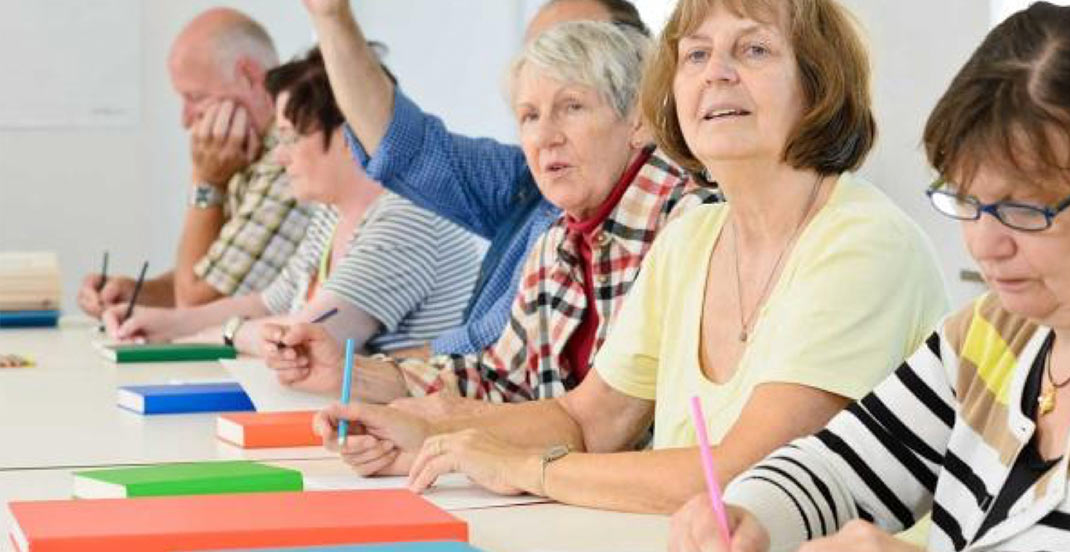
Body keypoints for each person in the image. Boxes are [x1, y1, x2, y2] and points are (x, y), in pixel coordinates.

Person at [303, 0, 947, 515]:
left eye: (753, 49)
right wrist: (438, 443)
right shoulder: (693, 237)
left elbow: (746, 477)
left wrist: (526, 467)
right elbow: (589, 420)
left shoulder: (861, 242)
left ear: (819, 85)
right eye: (696, 55)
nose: (716, 72)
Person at [668, 3, 1070, 552]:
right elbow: (842, 467)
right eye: (968, 202)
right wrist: (749, 516)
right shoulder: (996, 334)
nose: (985, 245)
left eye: (1026, 208)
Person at [264, 21, 721, 404]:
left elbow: (599, 425)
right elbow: (501, 379)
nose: (546, 137)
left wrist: (458, 440)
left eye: (572, 107)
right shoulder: (558, 236)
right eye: (529, 116)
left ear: (639, 119)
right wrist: (350, 375)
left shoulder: (690, 225)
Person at [294, 0, 651, 359]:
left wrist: (368, 372)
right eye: (530, 112)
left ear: (637, 97)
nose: (545, 134)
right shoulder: (531, 184)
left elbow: (495, 361)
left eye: (574, 52)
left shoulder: (667, 213)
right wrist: (330, 15)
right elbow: (403, 147)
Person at [101, 48, 479, 356]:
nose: (280, 156)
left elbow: (306, 339)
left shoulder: (406, 217)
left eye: (290, 137)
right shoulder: (333, 211)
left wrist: (222, 332)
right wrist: (164, 323)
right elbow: (268, 304)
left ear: (351, 134)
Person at [77, 8, 310, 315]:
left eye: (196, 97)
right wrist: (135, 293)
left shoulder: (290, 162)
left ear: (249, 76)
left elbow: (198, 304)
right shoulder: (249, 154)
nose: (186, 120)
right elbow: (220, 276)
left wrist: (206, 181)